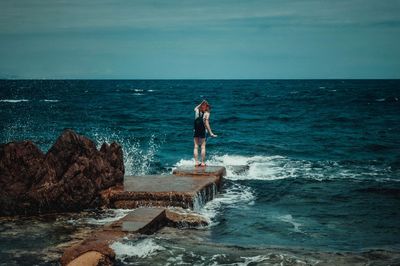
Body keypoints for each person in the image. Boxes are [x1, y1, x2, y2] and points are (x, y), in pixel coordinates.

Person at [193, 100, 217, 167]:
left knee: (195, 147)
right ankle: (203, 163)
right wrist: (211, 133)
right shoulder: (207, 113)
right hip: (202, 130)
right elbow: (206, 123)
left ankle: (196, 162)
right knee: (203, 147)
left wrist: (201, 103)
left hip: (196, 130)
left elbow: (195, 108)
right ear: (207, 107)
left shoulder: (197, 111)